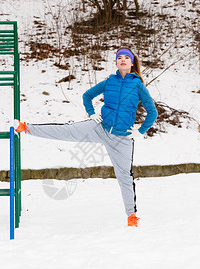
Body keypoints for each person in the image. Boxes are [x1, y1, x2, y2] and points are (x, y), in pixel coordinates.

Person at [15, 47, 158, 227]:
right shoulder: (109, 81)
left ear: (131, 62)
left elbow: (153, 112)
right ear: (116, 62)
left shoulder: (138, 85)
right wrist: (91, 113)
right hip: (100, 127)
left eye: (126, 58)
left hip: (122, 138)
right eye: (119, 57)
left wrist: (140, 130)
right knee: (67, 130)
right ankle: (25, 128)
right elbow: (87, 96)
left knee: (124, 176)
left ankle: (132, 217)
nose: (122, 60)